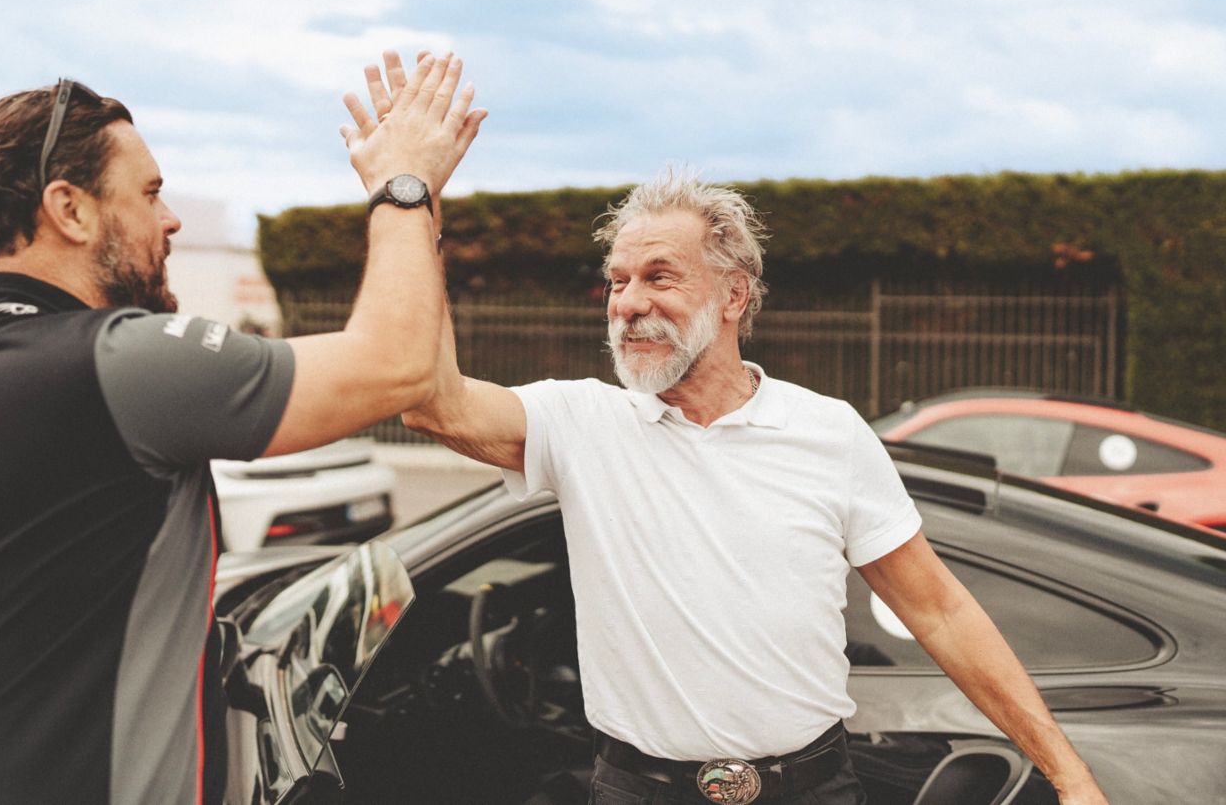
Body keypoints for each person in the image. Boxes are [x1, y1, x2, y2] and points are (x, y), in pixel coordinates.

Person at [0, 53, 485, 804]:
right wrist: (406, 183)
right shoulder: (116, 360)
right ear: (71, 210)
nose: (172, 217)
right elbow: (397, 368)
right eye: (151, 193)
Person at [387, 163, 1109, 802]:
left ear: (734, 295)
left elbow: (940, 612)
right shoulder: (582, 422)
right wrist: (412, 198)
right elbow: (429, 399)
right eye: (616, 281)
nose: (626, 302)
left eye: (658, 276)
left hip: (812, 789)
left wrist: (1068, 776)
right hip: (638, 791)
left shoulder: (829, 432)